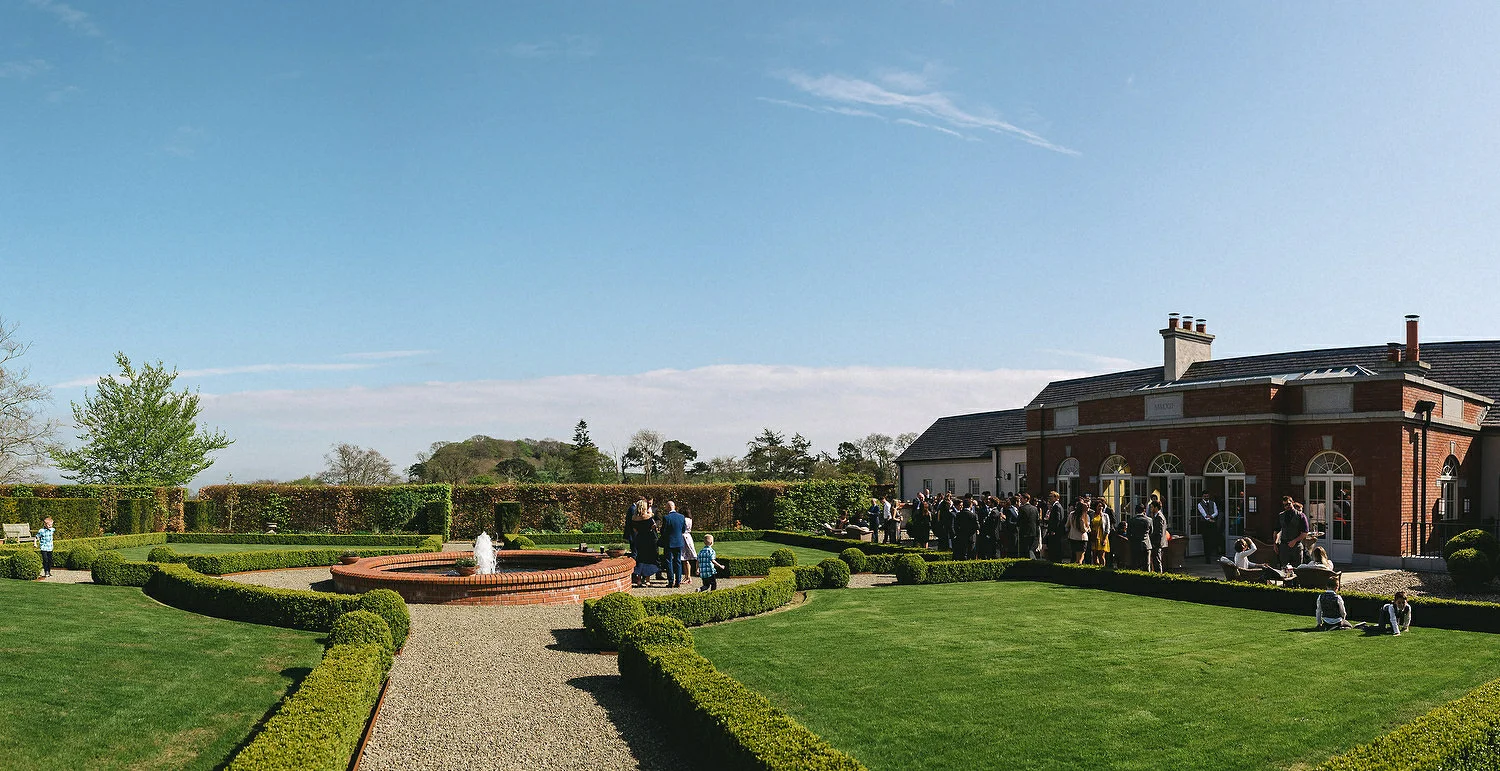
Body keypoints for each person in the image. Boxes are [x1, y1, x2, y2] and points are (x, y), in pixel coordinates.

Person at [1276, 496, 1309, 567]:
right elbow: (1276, 531)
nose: (1287, 506)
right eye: (1285, 505)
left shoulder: (1301, 516)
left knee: (1297, 570)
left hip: (1296, 547)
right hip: (1284, 547)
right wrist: (1275, 543)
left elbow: (1305, 533)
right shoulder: (1281, 516)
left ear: (1292, 503)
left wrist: (1295, 541)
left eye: (1288, 504)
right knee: (1284, 569)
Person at [660, 501, 687, 588]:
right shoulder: (682, 517)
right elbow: (683, 530)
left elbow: (663, 531)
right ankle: (678, 581)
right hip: (679, 542)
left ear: (668, 507)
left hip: (669, 542)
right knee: (678, 561)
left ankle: (671, 581)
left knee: (669, 561)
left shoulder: (666, 518)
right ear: (674, 507)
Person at [631, 513, 659, 587]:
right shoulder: (648, 517)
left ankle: (639, 580)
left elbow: (634, 529)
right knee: (647, 560)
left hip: (639, 538)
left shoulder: (634, 518)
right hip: (648, 539)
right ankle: (647, 580)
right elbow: (654, 527)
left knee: (639, 558)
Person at [1196, 492, 1223, 564]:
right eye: (1205, 496)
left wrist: (1212, 516)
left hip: (1212, 523)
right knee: (1206, 540)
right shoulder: (1200, 504)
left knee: (1213, 539)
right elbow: (1203, 513)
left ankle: (1214, 554)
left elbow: (1216, 512)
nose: (1206, 497)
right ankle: (1207, 558)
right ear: (1202, 497)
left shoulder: (1213, 503)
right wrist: (1208, 519)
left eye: (1207, 496)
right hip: (1204, 524)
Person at [1126, 504, 1152, 570]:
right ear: (1144, 510)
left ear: (1135, 511)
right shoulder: (1149, 520)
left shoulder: (1131, 521)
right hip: (1146, 544)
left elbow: (1128, 534)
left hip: (1135, 545)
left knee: (1135, 565)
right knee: (1147, 565)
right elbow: (1151, 532)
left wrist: (1132, 540)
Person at [1017, 494, 1042, 559]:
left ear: (1026, 499)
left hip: (1024, 533)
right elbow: (1037, 522)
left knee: (1025, 551)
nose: (1020, 500)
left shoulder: (1022, 509)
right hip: (1033, 533)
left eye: (1021, 499)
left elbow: (1018, 522)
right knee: (1031, 549)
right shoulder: (1035, 508)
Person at [1044, 491, 1067, 562]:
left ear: (1056, 497)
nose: (1050, 498)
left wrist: (1053, 530)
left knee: (1055, 549)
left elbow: (1057, 520)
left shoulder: (1056, 506)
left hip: (1056, 532)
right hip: (1057, 532)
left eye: (1051, 497)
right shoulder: (1058, 506)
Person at [1067, 500, 1091, 565]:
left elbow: (1067, 525)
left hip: (1072, 537)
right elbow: (1083, 529)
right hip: (1082, 538)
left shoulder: (1071, 514)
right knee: (1081, 557)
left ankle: (1073, 569)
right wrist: (1088, 529)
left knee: (1075, 556)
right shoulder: (1085, 516)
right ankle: (1078, 570)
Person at [1148, 500, 1169, 573]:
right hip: (1157, 542)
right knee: (1156, 560)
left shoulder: (1159, 517)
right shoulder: (1156, 516)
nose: (1150, 509)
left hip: (1157, 543)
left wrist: (1156, 543)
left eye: (1152, 507)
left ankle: (1159, 575)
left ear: (1156, 508)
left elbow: (1159, 531)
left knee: (1157, 561)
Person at [1089, 499, 1111, 566]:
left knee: (1101, 555)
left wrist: (1104, 539)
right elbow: (1089, 525)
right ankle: (1096, 568)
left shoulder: (1105, 516)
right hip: (1094, 536)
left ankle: (1102, 568)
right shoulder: (1091, 515)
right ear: (1095, 507)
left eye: (1102, 506)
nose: (1100, 508)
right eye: (1099, 506)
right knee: (1094, 555)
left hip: (1102, 536)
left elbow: (1107, 528)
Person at [680, 509, 696, 586]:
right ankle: (687, 576)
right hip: (688, 537)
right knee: (686, 558)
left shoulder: (684, 519)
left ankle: (688, 577)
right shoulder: (690, 519)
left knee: (684, 558)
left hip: (683, 537)